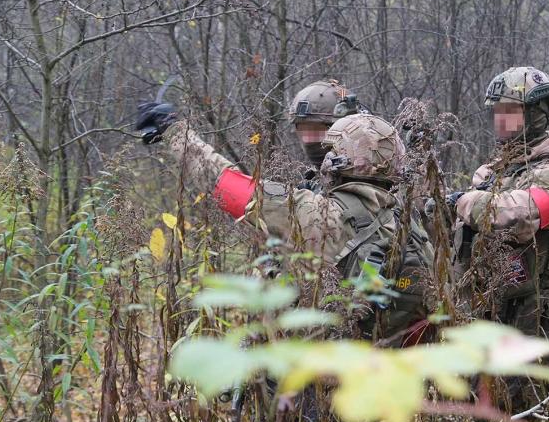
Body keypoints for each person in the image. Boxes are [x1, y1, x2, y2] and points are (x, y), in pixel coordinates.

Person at [136, 100, 433, 346]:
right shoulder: (413, 227)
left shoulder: (313, 212)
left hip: (315, 386)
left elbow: (224, 184)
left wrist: (174, 130)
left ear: (340, 161)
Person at [450, 67, 549, 409]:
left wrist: (463, 201)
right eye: (497, 113)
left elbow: (513, 215)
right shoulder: (503, 172)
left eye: (510, 113)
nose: (500, 121)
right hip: (487, 320)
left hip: (532, 327)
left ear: (536, 114)